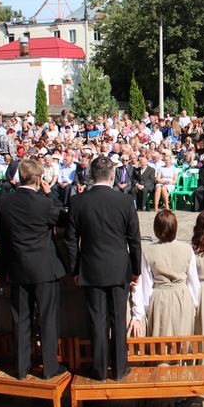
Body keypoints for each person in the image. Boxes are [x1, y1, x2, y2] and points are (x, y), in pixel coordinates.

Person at [66, 156, 141, 381]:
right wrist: (136, 269)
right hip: (118, 268)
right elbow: (134, 240)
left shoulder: (78, 201)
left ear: (91, 175)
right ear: (111, 175)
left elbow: (71, 241)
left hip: (91, 268)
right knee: (118, 319)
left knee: (97, 321)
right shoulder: (124, 201)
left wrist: (75, 269)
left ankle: (99, 369)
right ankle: (119, 368)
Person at [0, 160, 68, 380]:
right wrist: (49, 196)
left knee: (21, 318)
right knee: (47, 318)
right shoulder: (43, 203)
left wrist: (4, 266)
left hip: (17, 266)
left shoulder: (3, 203)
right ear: (38, 180)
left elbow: (1, 238)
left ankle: (21, 368)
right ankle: (49, 367)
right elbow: (64, 218)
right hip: (44, 268)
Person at [131, 210, 200, 337]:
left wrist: (145, 308)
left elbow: (146, 283)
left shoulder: (148, 250)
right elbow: (193, 280)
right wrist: (194, 304)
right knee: (182, 338)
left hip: (159, 298)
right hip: (182, 296)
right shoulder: (187, 249)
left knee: (160, 338)